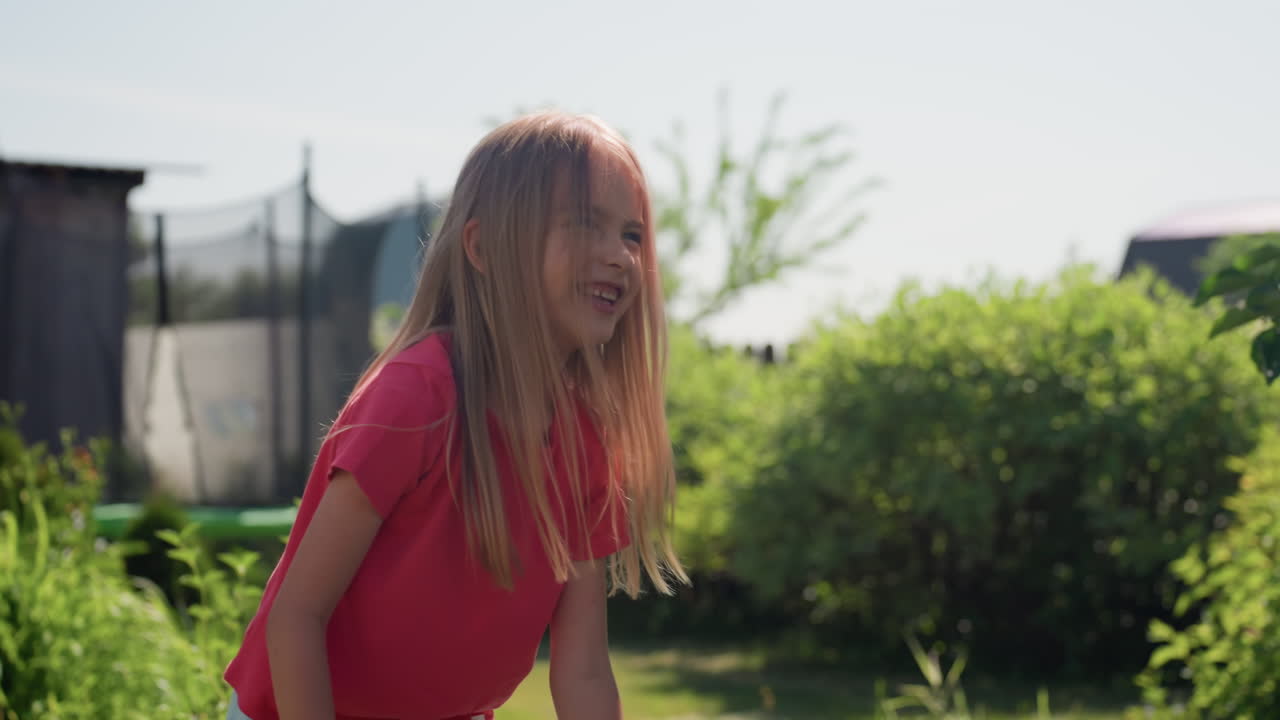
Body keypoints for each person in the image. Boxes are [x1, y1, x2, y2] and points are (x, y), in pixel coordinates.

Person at [223, 111, 688, 720]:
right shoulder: (417, 397)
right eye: (584, 223)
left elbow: (583, 671)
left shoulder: (583, 441)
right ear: (483, 247)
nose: (620, 257)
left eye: (631, 235)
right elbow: (295, 618)